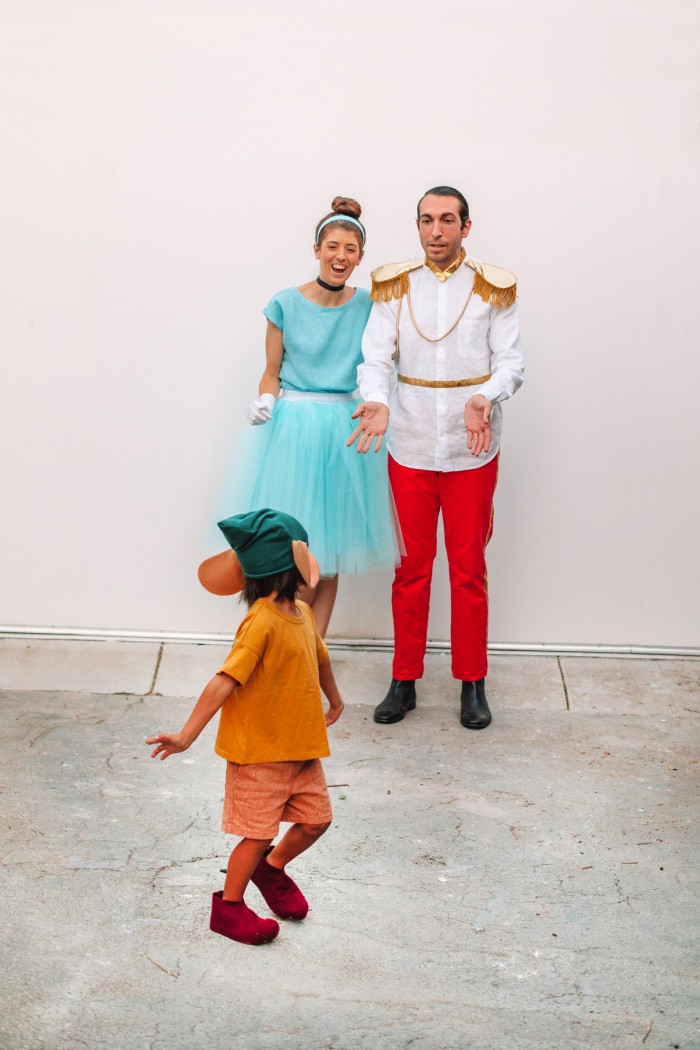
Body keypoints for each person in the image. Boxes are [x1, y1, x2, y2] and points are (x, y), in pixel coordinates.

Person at [348, 186, 524, 730]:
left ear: (466, 227)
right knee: (410, 569)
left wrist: (484, 396)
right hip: (411, 442)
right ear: (418, 226)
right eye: (427, 221)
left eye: (448, 220)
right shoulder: (394, 286)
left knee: (469, 568)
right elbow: (374, 358)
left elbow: (512, 362)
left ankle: (473, 682)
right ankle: (404, 679)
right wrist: (376, 401)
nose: (436, 231)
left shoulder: (493, 288)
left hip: (472, 447)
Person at [146, 508, 344, 946]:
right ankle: (229, 908)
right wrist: (186, 735)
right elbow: (225, 680)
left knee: (316, 821)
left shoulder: (303, 615)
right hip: (259, 752)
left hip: (301, 747)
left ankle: (269, 872)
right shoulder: (261, 622)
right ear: (287, 566)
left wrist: (335, 699)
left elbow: (321, 659)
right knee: (256, 834)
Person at [239, 197, 399, 637]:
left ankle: (311, 649)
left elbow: (381, 363)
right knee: (292, 551)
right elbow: (270, 374)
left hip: (345, 430)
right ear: (316, 249)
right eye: (332, 246)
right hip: (295, 429)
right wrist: (266, 401)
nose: (340, 256)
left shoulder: (370, 306)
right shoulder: (285, 304)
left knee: (330, 555)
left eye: (350, 249)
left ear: (360, 257)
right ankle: (275, 644)